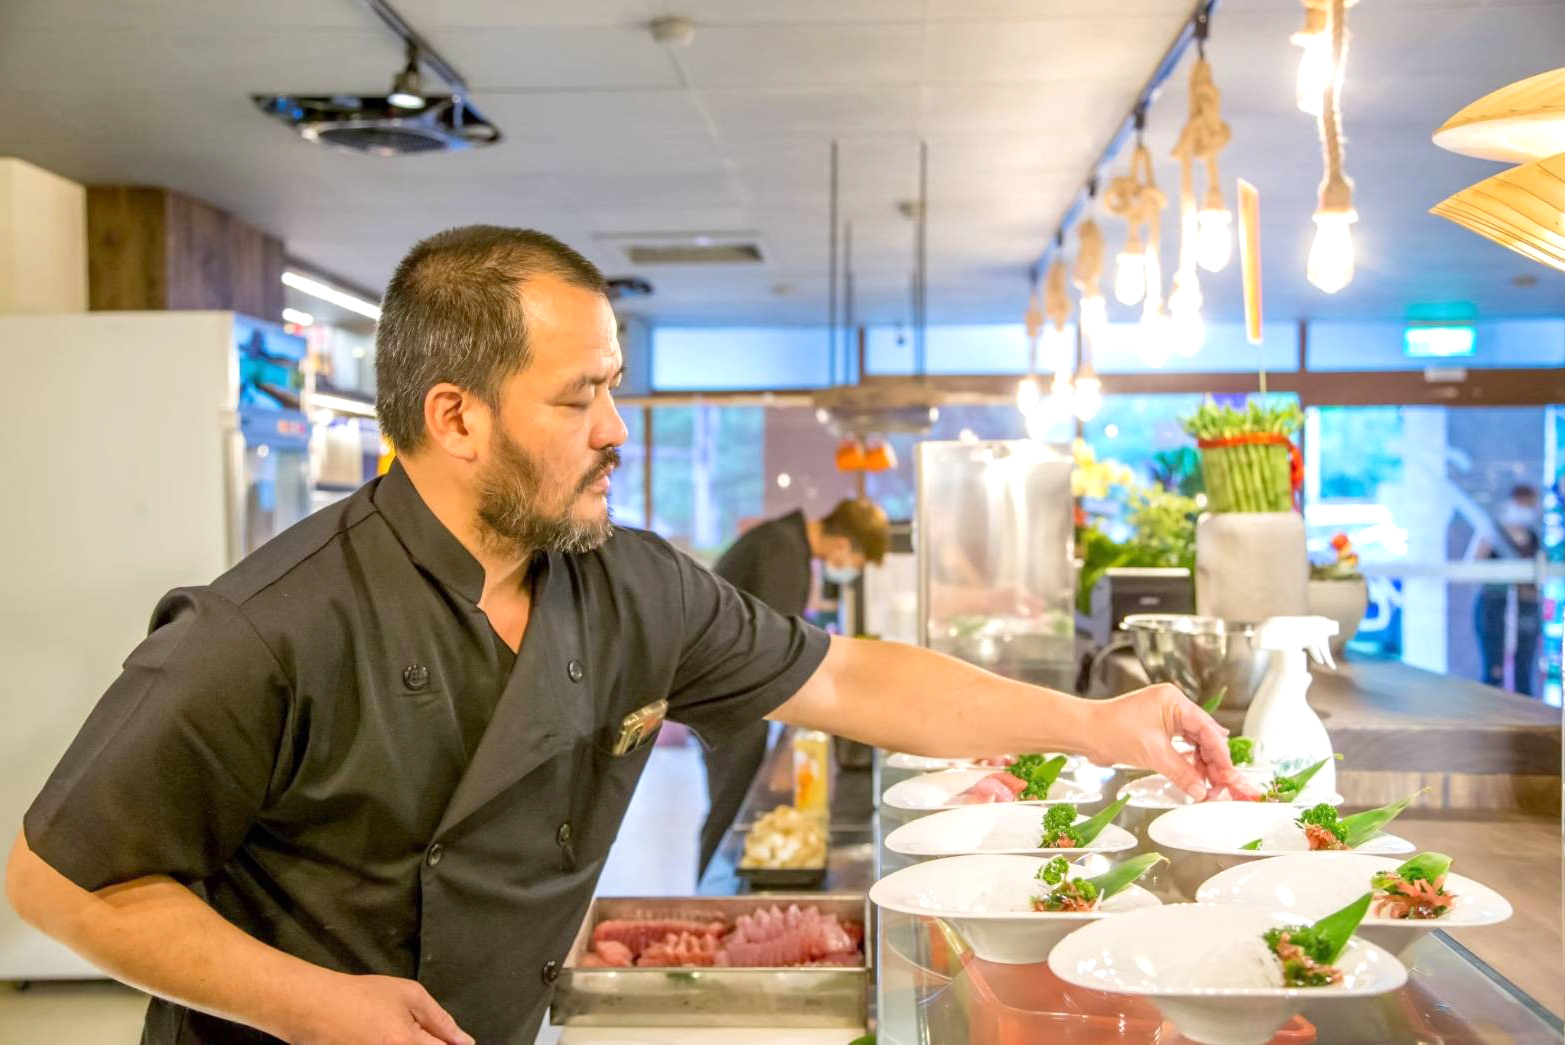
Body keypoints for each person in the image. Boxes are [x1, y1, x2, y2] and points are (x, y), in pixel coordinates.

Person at [5, 226, 1249, 1045]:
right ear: (456, 418)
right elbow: (55, 877)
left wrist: (1096, 724)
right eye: (578, 396)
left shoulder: (629, 584)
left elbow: (851, 677)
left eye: (614, 386)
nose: (615, 428)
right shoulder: (267, 624)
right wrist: (313, 1005)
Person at [698, 498, 891, 877]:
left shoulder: (785, 542)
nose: (851, 571)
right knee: (729, 810)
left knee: (729, 804)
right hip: (725, 701)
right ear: (843, 545)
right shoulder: (782, 552)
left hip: (730, 694)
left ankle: (712, 887)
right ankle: (709, 894)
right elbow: (773, 646)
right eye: (857, 563)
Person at [1474, 483, 1542, 696]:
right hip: (1494, 606)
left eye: (1531, 504)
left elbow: (1539, 575)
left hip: (1526, 609)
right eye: (1524, 503)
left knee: (1523, 672)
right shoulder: (1493, 533)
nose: (1528, 509)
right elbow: (1476, 564)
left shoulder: (1533, 536)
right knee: (1494, 670)